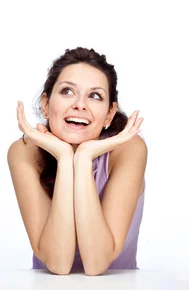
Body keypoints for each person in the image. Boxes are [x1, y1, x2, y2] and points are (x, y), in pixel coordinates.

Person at [8, 47, 147, 275]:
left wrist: (82, 157)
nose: (80, 105)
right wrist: (64, 157)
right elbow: (58, 263)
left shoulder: (128, 149)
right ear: (45, 104)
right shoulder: (24, 152)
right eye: (67, 91)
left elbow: (97, 264)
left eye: (95, 96)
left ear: (110, 114)